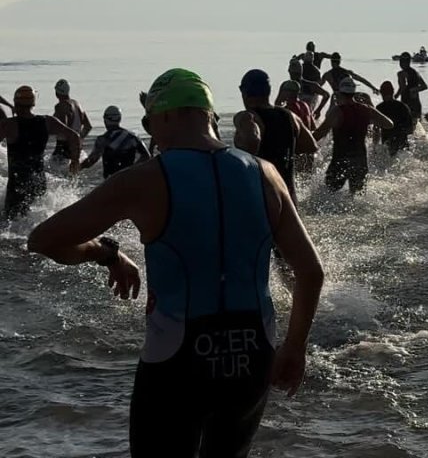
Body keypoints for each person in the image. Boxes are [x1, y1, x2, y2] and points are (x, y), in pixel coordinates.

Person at [26, 67, 324, 458]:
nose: (151, 134)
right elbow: (310, 272)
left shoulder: (145, 179)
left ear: (166, 114)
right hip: (252, 354)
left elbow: (43, 239)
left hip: (178, 359)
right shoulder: (266, 175)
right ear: (209, 116)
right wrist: (296, 347)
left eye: (150, 122)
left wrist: (106, 254)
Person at [234, 69, 318, 203]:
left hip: (261, 195)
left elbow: (251, 142)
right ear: (269, 91)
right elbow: (310, 146)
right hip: (288, 195)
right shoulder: (290, 116)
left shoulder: (247, 117)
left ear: (243, 91)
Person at [2, 86, 81, 219]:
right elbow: (74, 136)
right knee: (37, 215)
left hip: (17, 182)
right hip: (38, 179)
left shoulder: (8, 125)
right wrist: (75, 160)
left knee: (10, 220)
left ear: (15, 103)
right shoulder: (47, 121)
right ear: (33, 103)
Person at [313, 78, 394, 194]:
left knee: (328, 194)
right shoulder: (366, 109)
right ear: (354, 93)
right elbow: (389, 124)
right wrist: (369, 115)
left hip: (340, 160)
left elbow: (319, 134)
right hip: (360, 160)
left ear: (340, 93)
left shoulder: (337, 111)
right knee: (357, 197)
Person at [80, 106, 151, 179]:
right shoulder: (133, 137)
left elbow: (91, 161)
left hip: (111, 180)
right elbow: (147, 156)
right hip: (129, 178)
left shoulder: (103, 139)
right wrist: (132, 169)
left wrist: (78, 166)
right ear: (119, 119)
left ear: (105, 120)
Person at [52, 79, 92, 162]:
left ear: (56, 92)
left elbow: (63, 126)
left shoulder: (60, 106)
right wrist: (79, 138)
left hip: (63, 146)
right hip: (76, 146)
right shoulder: (77, 105)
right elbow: (88, 126)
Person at [376, 81, 416, 156]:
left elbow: (376, 129)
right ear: (393, 92)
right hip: (401, 144)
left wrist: (375, 146)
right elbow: (410, 129)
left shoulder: (379, 108)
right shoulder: (403, 106)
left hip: (389, 143)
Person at [396, 52, 428, 121]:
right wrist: (414, 90)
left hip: (406, 101)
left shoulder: (401, 74)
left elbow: (402, 87)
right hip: (416, 102)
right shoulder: (416, 73)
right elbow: (424, 86)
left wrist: (395, 97)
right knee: (417, 123)